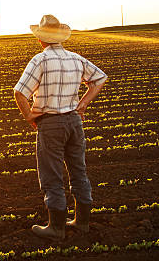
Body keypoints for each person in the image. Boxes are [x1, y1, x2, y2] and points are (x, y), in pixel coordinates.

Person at [13, 14, 107, 240]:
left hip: (51, 124)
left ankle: (56, 227)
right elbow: (100, 78)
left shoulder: (39, 60)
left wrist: (30, 117)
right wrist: (82, 105)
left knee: (52, 174)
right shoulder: (75, 59)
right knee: (78, 171)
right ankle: (82, 222)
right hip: (74, 122)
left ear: (40, 39)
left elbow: (19, 92)